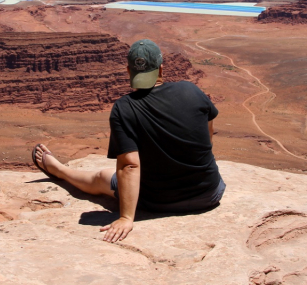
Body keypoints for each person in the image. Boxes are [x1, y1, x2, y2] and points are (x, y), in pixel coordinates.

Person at [32, 38, 225, 242]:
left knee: (102, 176)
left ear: (128, 71)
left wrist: (126, 217)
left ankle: (59, 170)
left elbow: (130, 166)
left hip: (158, 201)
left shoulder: (125, 108)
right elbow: (207, 136)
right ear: (161, 69)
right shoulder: (191, 90)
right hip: (209, 194)